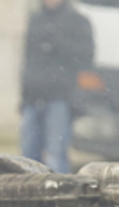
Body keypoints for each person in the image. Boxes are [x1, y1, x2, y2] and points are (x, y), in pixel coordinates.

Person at [19, 0, 95, 174]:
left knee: (56, 154)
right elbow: (28, 58)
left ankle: (57, 195)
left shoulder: (77, 21)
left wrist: (58, 41)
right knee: (27, 156)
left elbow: (85, 56)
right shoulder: (36, 19)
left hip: (60, 97)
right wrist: (23, 95)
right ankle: (28, 195)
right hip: (33, 95)